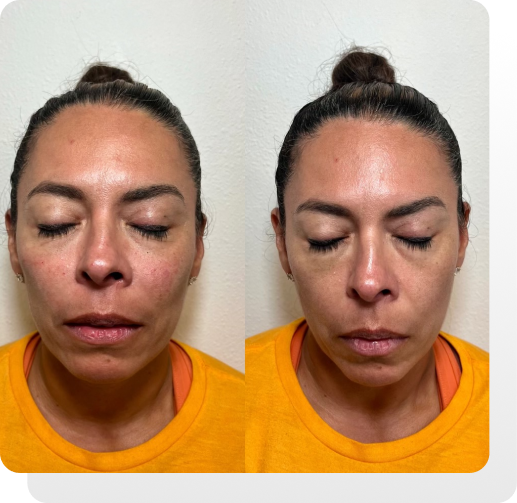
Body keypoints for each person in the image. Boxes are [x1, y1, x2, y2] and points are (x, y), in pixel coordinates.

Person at [245, 49, 488, 472]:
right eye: (326, 239)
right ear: (282, 242)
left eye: (414, 236)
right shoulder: (235, 401)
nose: (369, 281)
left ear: (461, 235)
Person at [0, 65, 244, 472]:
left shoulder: (247, 428)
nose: (100, 263)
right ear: (13, 242)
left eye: (150, 225)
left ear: (198, 246)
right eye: (57, 223)